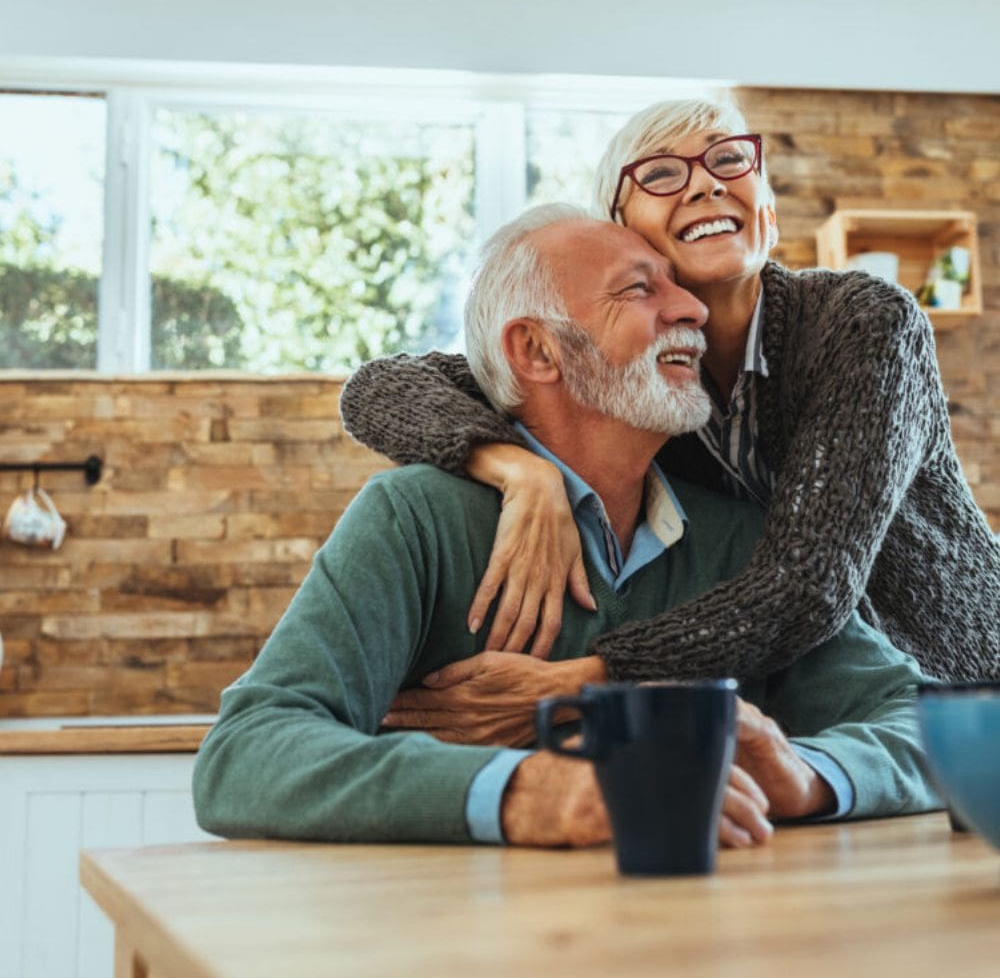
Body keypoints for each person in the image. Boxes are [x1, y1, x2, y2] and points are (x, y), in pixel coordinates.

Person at [193, 205, 939, 849]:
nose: (693, 311)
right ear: (537, 350)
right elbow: (246, 754)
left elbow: (928, 724)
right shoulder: (414, 519)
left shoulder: (741, 541)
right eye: (640, 290)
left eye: (678, 287)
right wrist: (528, 792)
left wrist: (807, 775)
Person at [340, 97, 1000, 737]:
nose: (707, 185)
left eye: (730, 162)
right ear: (620, 229)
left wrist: (578, 682)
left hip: (955, 699)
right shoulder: (627, 374)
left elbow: (809, 585)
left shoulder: (863, 322)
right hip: (800, 716)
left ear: (765, 206)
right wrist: (516, 470)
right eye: (660, 174)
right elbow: (380, 387)